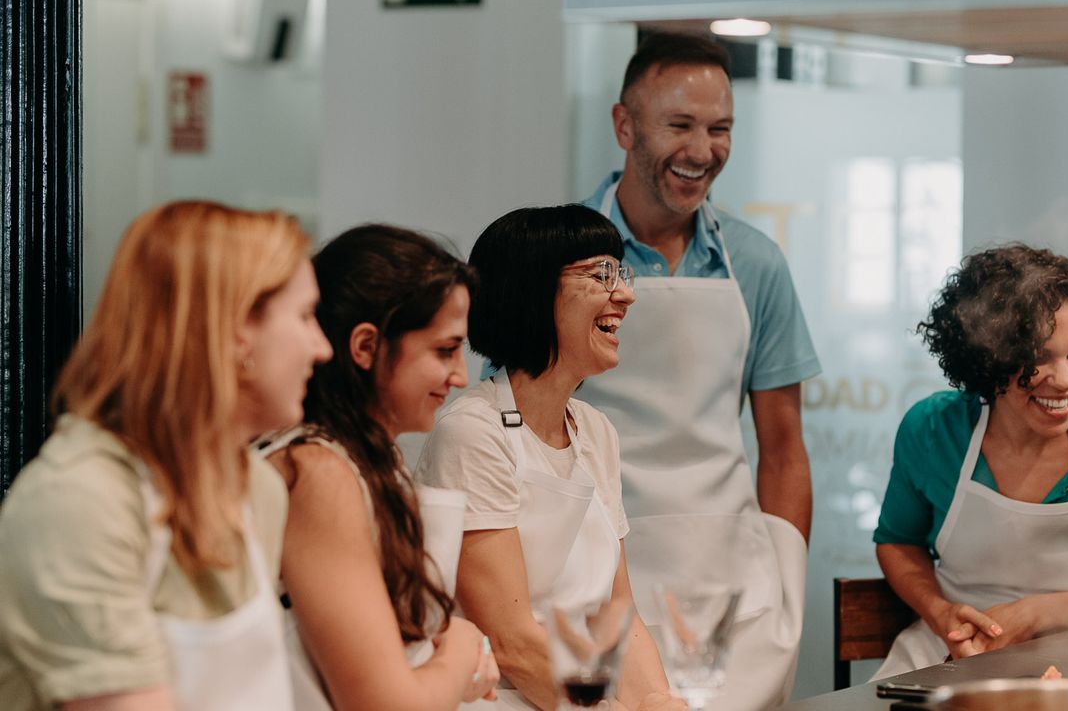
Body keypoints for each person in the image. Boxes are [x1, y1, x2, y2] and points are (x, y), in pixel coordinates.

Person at [0, 200, 334, 710]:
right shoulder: (78, 501)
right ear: (238, 327)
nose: (321, 347)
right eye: (306, 316)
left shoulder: (256, 490)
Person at [575, 31, 820, 708]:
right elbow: (518, 434)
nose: (703, 150)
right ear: (625, 126)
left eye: (720, 129)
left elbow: (784, 447)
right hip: (597, 586)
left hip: (734, 603)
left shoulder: (756, 263)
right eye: (680, 125)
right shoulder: (558, 259)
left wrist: (786, 590)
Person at [416, 205, 682, 711]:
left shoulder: (595, 432)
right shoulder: (473, 432)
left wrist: (659, 702)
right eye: (602, 273)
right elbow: (514, 645)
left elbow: (617, 612)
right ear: (533, 290)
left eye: (621, 273)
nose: (625, 293)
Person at [873, 243, 1068, 679]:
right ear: (986, 361)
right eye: (1036, 359)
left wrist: (1033, 614)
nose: (1065, 381)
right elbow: (898, 543)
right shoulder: (933, 429)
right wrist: (943, 615)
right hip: (949, 654)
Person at [255, 224, 499, 710]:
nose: (460, 376)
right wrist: (462, 647)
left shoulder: (368, 458)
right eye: (444, 351)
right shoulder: (319, 470)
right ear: (365, 347)